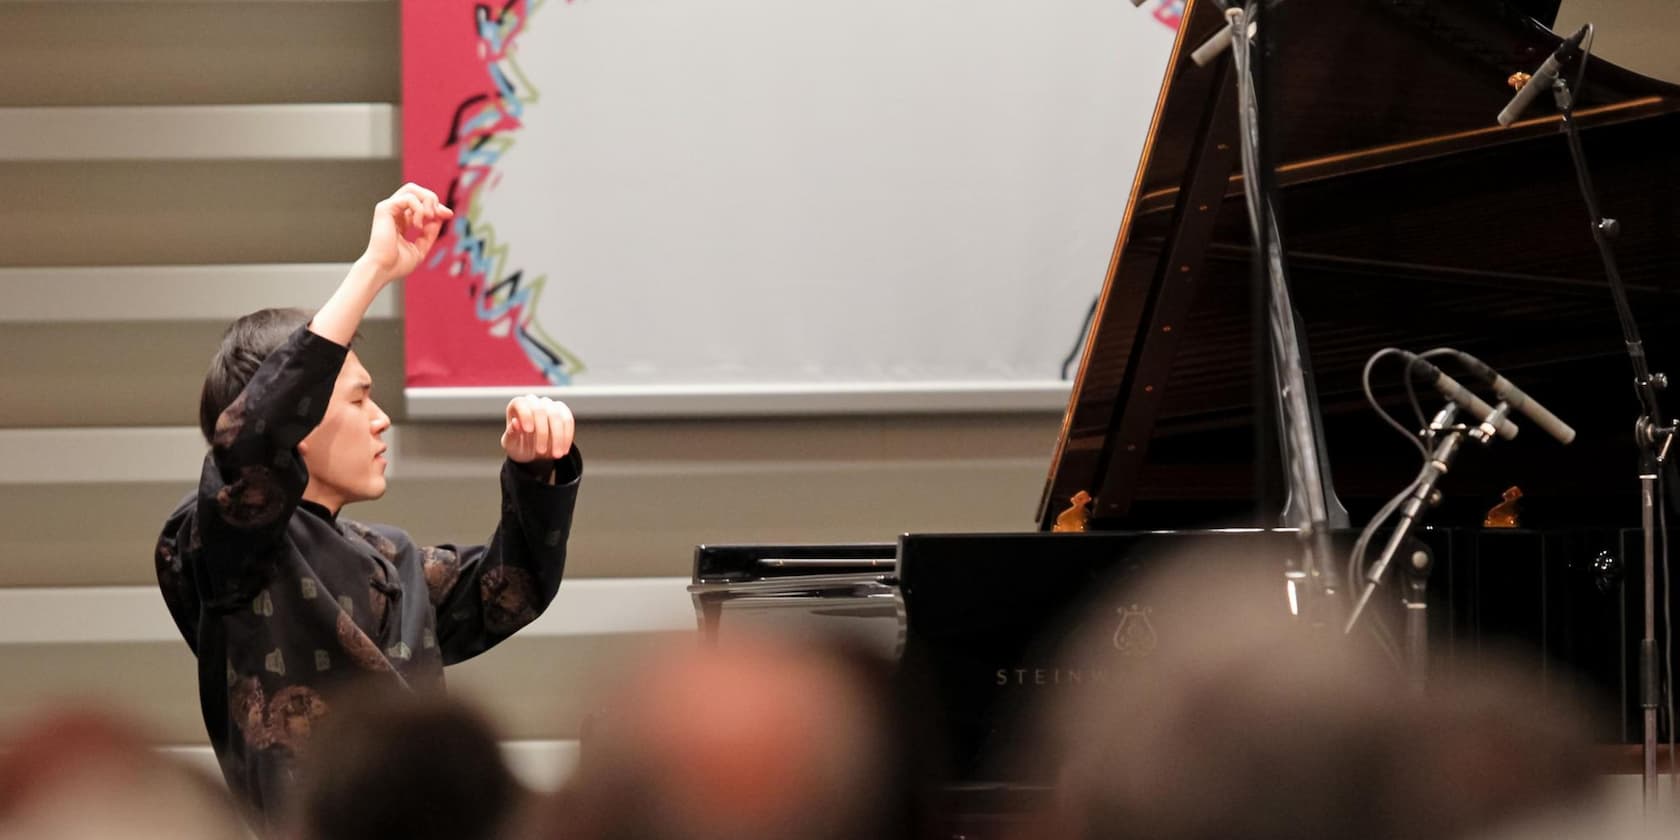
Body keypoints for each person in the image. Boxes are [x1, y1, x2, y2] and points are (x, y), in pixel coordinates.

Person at [153, 183, 583, 822]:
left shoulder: (392, 556)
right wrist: (376, 268)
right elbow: (251, 443)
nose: (381, 420)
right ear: (295, 415)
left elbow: (509, 590)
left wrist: (537, 470)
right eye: (357, 400)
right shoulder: (221, 545)